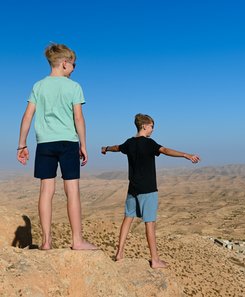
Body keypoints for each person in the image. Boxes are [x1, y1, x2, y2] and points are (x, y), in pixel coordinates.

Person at [17, 43, 98, 250]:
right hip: (68, 142)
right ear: (64, 63)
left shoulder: (38, 86)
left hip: (44, 143)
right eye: (74, 65)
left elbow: (27, 116)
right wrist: (84, 144)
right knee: (72, 191)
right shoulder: (74, 87)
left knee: (46, 190)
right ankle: (77, 241)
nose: (74, 68)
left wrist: (21, 144)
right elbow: (78, 118)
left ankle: (46, 241)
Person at [101, 113, 200, 268]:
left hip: (132, 188)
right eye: (152, 127)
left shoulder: (129, 143)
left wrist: (105, 148)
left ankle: (119, 253)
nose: (153, 130)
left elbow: (116, 148)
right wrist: (185, 155)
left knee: (128, 218)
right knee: (150, 224)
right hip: (148, 189)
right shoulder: (149, 143)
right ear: (144, 126)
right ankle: (155, 260)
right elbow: (165, 150)